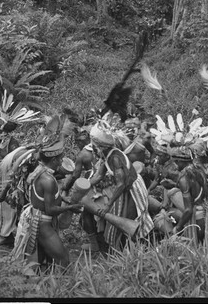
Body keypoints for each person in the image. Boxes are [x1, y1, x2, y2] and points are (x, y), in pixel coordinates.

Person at [12, 116, 82, 270]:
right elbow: (50, 209)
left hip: (40, 218)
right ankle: (59, 290)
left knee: (45, 261)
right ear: (55, 160)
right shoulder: (48, 180)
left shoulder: (41, 170)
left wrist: (64, 199)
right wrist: (70, 208)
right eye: (61, 158)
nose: (62, 160)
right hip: (42, 223)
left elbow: (46, 198)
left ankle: (46, 284)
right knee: (63, 259)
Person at [87, 123, 154, 250]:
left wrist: (108, 205)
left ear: (100, 146)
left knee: (129, 219)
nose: (93, 149)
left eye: (94, 146)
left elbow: (121, 184)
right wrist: (85, 186)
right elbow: (99, 175)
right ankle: (124, 250)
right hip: (124, 190)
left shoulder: (115, 158)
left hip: (132, 189)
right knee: (119, 217)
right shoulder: (106, 156)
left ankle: (141, 250)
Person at [62, 130, 106, 252]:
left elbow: (75, 175)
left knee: (86, 214)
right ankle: (102, 241)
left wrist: (66, 187)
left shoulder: (83, 154)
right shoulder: (105, 148)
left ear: (78, 143)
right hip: (106, 185)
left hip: (91, 186)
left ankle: (95, 245)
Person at [160, 146, 208, 244]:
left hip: (197, 220)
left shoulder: (184, 178)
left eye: (177, 162)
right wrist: (174, 185)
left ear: (182, 161)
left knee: (195, 250)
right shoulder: (199, 170)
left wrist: (178, 228)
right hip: (206, 213)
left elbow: (188, 210)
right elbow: (195, 188)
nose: (175, 164)